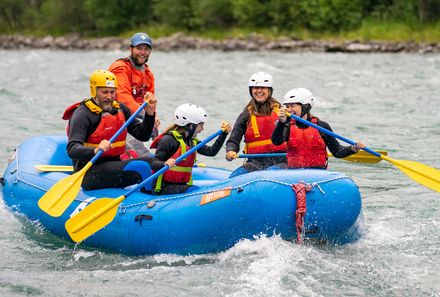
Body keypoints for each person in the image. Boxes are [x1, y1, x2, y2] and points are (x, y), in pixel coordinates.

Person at [63, 70, 157, 190]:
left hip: (113, 165)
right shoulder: (82, 114)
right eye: (105, 92)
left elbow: (143, 136)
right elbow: (72, 149)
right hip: (88, 172)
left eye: (112, 92)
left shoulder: (121, 109)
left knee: (156, 162)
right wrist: (95, 150)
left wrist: (150, 113)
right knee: (142, 166)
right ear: (94, 91)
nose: (109, 96)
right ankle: (149, 200)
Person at [149, 103, 232, 195]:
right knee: (194, 190)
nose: (202, 129)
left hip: (181, 184)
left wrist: (223, 134)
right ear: (191, 125)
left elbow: (211, 152)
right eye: (201, 125)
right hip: (163, 187)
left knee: (194, 189)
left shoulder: (191, 142)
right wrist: (165, 163)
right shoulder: (168, 140)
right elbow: (153, 163)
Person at [271, 88, 364, 169]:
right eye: (287, 106)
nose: (289, 109)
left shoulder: (321, 126)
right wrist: (281, 122)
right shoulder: (287, 125)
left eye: (293, 106)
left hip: (318, 173)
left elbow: (337, 152)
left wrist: (353, 149)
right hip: (294, 173)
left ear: (305, 106)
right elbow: (276, 141)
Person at [225, 72, 287, 177]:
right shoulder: (246, 114)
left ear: (269, 90)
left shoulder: (281, 112)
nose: (258, 91)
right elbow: (233, 140)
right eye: (255, 88)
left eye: (263, 87)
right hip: (255, 162)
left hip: (281, 160)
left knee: (269, 175)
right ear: (251, 90)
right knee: (234, 176)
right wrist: (230, 151)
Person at [108, 32, 159, 157]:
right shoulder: (120, 68)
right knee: (137, 154)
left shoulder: (148, 74)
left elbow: (149, 101)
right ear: (131, 49)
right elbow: (123, 98)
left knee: (146, 149)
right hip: (114, 118)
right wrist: (146, 116)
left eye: (146, 49)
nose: (142, 52)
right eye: (139, 48)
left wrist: (152, 119)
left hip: (132, 118)